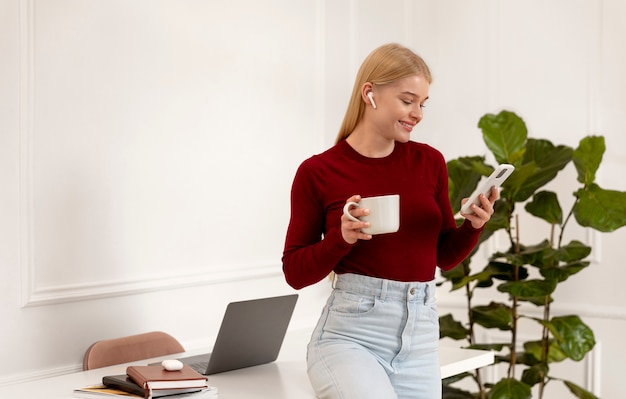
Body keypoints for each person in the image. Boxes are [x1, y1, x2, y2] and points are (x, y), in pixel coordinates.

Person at [282, 43, 497, 399]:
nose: (418, 113)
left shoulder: (429, 162)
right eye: (408, 100)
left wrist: (474, 225)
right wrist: (342, 237)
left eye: (422, 104)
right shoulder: (318, 172)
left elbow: (444, 255)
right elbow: (295, 272)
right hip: (350, 338)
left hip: (421, 335)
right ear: (370, 93)